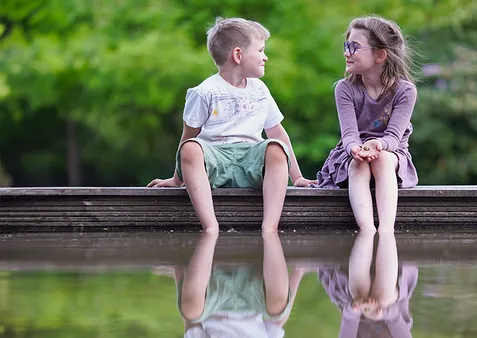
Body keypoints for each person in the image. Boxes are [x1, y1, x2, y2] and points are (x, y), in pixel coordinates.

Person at [147, 17, 316, 232]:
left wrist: (298, 177)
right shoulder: (205, 92)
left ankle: (269, 227)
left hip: (252, 161)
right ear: (238, 55)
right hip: (215, 161)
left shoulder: (260, 90)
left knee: (275, 147)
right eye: (261, 51)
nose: (265, 57)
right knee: (190, 148)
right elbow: (188, 137)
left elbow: (279, 133)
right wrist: (176, 178)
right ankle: (210, 226)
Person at [315, 16, 418, 233]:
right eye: (346, 45)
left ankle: (386, 231)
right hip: (354, 152)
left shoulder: (405, 91)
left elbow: (393, 138)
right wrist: (355, 149)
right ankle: (367, 231)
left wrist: (377, 145)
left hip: (391, 153)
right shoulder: (344, 89)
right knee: (358, 165)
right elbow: (349, 134)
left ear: (380, 55)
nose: (346, 52)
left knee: (380, 160)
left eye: (354, 47)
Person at [154, 231, 306, 337]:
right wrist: (298, 272)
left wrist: (179, 273)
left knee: (190, 312)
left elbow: (191, 324)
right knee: (278, 309)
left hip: (212, 302)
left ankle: (180, 266)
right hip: (252, 299)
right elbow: (277, 322)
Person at [318, 231, 419, 337]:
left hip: (352, 290)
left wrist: (357, 307)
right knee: (384, 299)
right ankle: (386, 231)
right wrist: (380, 313)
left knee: (359, 294)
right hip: (392, 288)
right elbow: (395, 317)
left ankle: (366, 231)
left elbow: (348, 319)